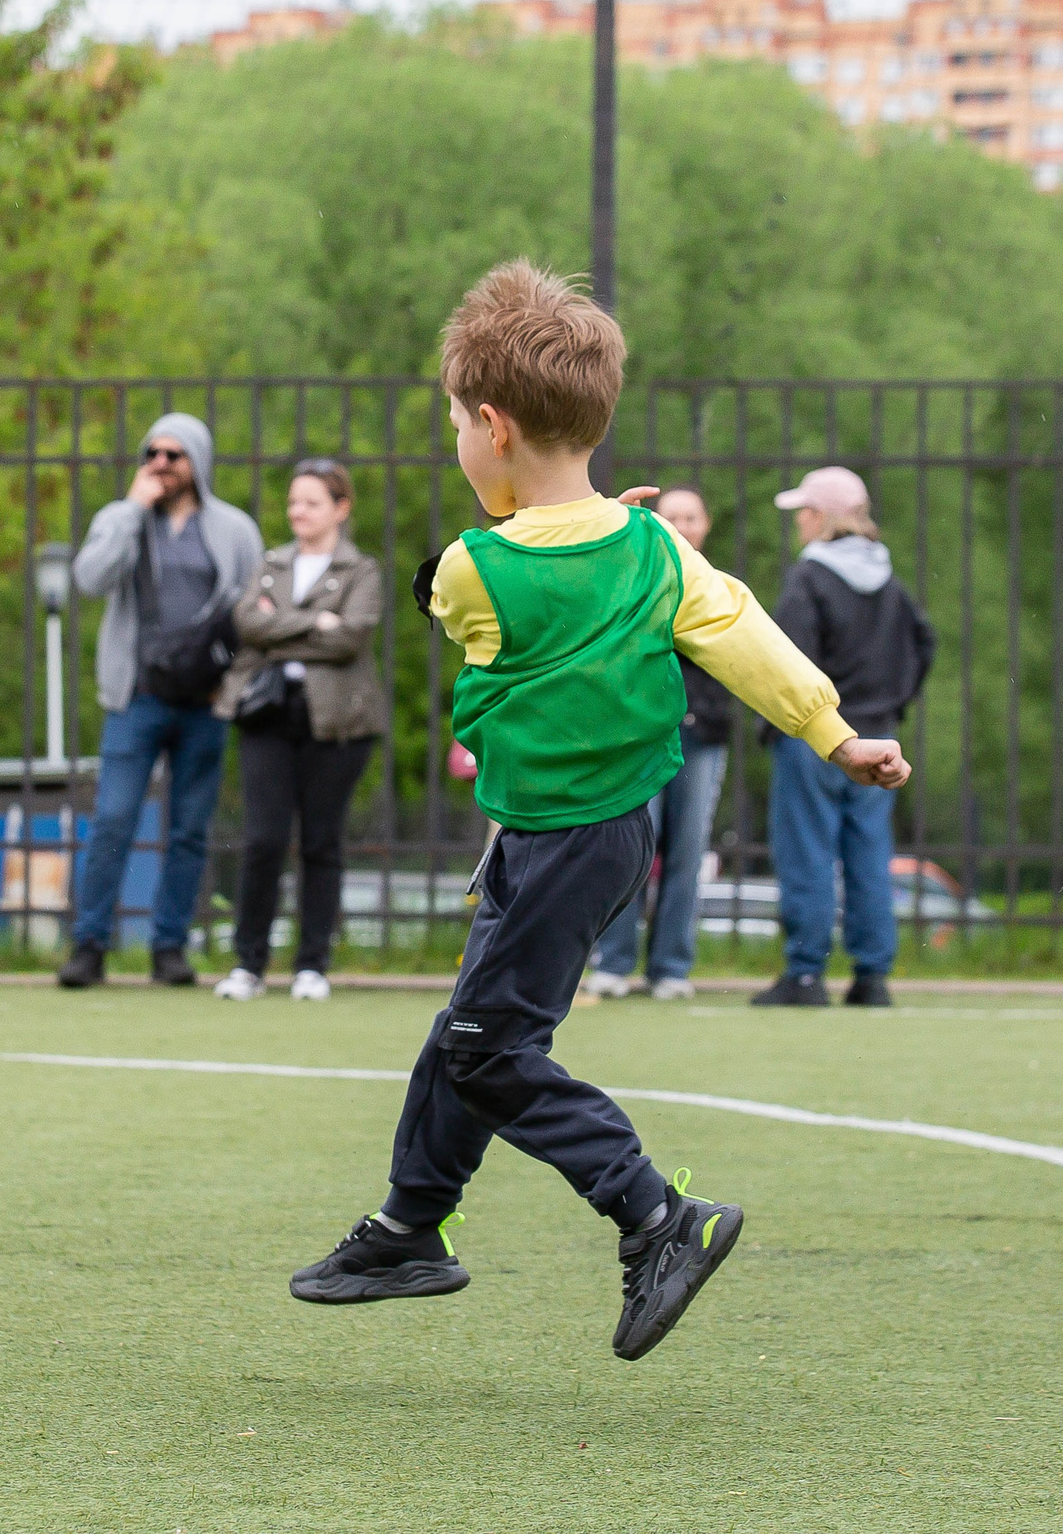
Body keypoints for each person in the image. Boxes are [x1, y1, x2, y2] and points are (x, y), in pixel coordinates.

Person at [286, 262, 910, 1364]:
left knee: (487, 1048)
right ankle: (406, 1227)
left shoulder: (472, 570)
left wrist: (554, 530)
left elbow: (457, 591)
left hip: (558, 842)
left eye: (455, 428)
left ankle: (657, 1217)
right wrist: (834, 733)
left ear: (492, 426)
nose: (457, 447)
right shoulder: (654, 548)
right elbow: (742, 631)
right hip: (598, 834)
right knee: (468, 1034)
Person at [60, 413, 261, 989]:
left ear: (197, 460)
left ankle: (169, 947)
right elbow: (90, 578)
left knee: (190, 829)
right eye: (153, 453)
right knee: (114, 819)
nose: (162, 464)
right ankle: (90, 944)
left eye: (175, 455)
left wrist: (234, 684)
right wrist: (130, 509)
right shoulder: (124, 520)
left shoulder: (232, 529)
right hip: (137, 698)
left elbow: (253, 611)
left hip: (205, 700)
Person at [755, 465, 937, 1009]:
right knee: (868, 852)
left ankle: (806, 974)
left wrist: (781, 724)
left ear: (818, 516)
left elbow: (784, 657)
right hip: (878, 735)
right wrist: (893, 704)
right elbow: (924, 644)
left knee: (807, 849)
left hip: (819, 736)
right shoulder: (890, 582)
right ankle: (872, 976)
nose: (799, 525)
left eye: (802, 514)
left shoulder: (808, 579)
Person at [212, 458, 385, 1004]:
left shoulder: (362, 570)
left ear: (340, 508)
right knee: (263, 839)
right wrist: (316, 623)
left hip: (337, 722)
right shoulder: (271, 563)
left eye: (310, 502)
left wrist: (280, 630)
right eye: (293, 502)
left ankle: (312, 964)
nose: (297, 512)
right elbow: (247, 623)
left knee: (320, 841)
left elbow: (351, 637)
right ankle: (249, 964)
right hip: (269, 714)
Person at [585, 486, 737, 1002]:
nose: (683, 525)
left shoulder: (718, 586)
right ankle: (615, 960)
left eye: (692, 516)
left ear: (706, 524)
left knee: (687, 851)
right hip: (640, 735)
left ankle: (671, 966)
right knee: (630, 846)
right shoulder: (634, 577)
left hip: (703, 734)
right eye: (672, 516)